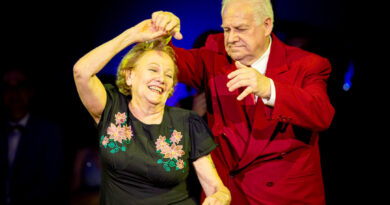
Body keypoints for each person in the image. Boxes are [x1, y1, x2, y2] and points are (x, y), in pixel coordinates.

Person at [149, 0, 335, 204]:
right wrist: (161, 34)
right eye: (227, 29)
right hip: (228, 195)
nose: (231, 38)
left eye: (240, 29)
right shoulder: (215, 53)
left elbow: (322, 114)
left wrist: (268, 88)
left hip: (285, 197)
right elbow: (169, 62)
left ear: (267, 25)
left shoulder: (306, 64)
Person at [73, 18, 231, 205]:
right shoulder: (112, 107)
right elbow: (81, 72)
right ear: (129, 75)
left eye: (169, 75)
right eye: (153, 70)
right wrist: (132, 35)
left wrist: (221, 196)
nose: (161, 79)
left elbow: (216, 188)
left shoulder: (188, 122)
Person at [0, 68, 65, 205]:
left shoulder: (49, 132)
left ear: (30, 91)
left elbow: (51, 183)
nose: (14, 93)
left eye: (20, 86)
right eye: (8, 87)